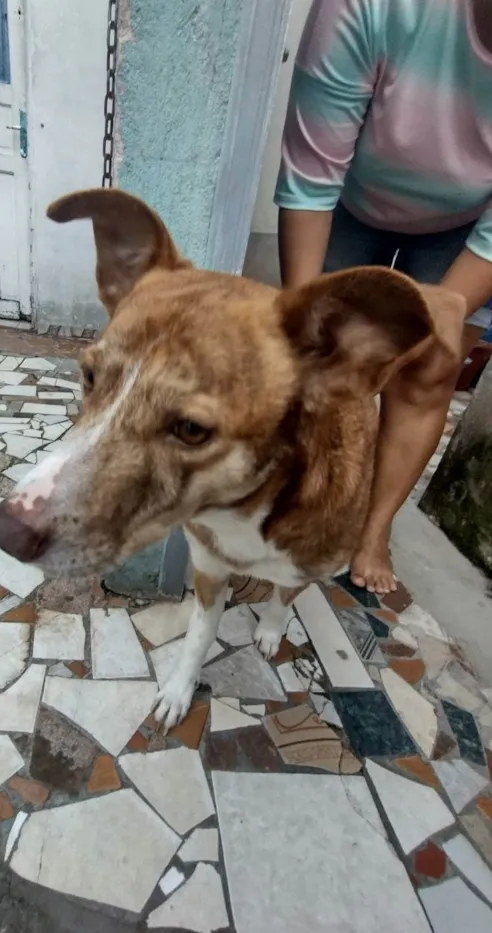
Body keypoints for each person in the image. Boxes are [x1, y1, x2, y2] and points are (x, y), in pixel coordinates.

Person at [275, 0, 492, 594]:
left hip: (467, 230)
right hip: (347, 197)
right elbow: (312, 173)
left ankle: (374, 530)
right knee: (323, 359)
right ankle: (306, 500)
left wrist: (435, 319)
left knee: (428, 372)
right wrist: (303, 320)